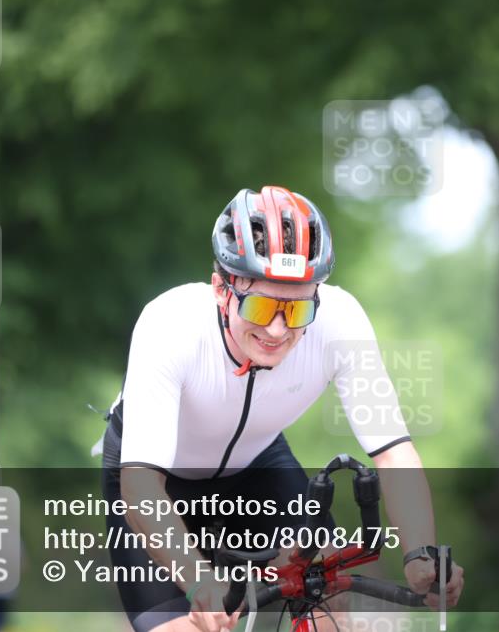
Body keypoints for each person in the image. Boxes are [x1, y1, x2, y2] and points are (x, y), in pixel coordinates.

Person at [99, 186, 464, 632]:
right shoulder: (170, 323)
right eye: (260, 305)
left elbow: (393, 452)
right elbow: (140, 484)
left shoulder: (340, 322)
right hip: (156, 480)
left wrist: (420, 555)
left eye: (295, 311)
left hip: (257, 464)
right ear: (221, 290)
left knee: (332, 587)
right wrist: (198, 581)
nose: (276, 329)